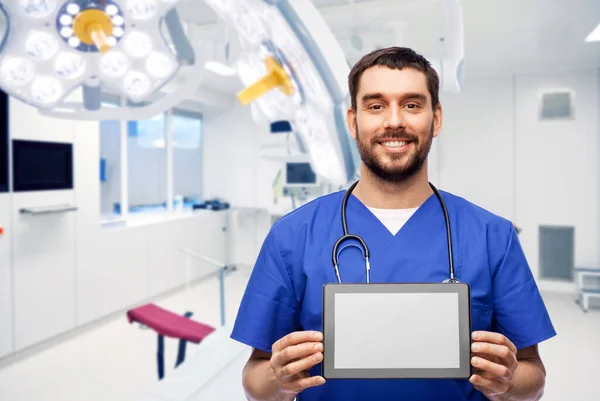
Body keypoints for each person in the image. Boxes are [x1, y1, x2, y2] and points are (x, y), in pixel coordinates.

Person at [230, 47, 556, 401]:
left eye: (412, 104)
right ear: (353, 121)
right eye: (376, 105)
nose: (394, 121)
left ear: (437, 118)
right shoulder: (292, 237)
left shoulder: (493, 236)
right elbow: (255, 379)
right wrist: (279, 379)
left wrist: (507, 383)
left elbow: (533, 376)